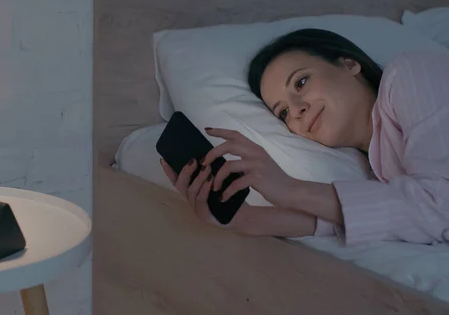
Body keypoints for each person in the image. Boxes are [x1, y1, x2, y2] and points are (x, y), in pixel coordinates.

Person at [160, 28, 449, 246]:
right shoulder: (374, 166)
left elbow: (440, 203)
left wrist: (289, 188)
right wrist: (245, 219)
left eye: (301, 82)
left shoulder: (410, 73)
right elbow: (351, 216)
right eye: (283, 113)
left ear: (349, 64)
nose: (297, 110)